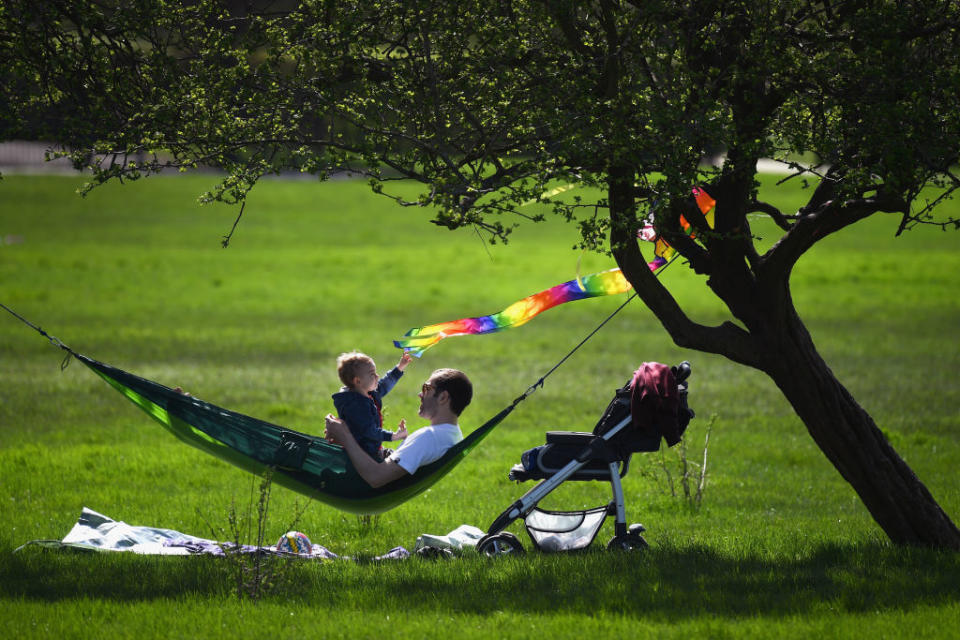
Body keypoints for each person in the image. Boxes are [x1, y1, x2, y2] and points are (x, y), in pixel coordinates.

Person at [325, 368, 473, 488]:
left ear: (443, 397)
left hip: (360, 487)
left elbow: (375, 477)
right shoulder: (453, 435)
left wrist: (345, 435)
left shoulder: (429, 437)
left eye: (426, 388)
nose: (420, 394)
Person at [332, 351, 412, 461]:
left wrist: (400, 367)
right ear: (357, 381)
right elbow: (368, 431)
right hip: (362, 456)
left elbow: (385, 384)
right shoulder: (355, 405)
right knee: (398, 466)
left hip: (372, 450)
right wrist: (393, 436)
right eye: (372, 374)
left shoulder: (368, 392)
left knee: (402, 458)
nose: (377, 376)